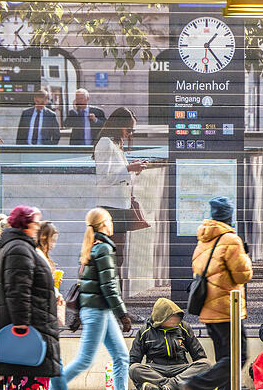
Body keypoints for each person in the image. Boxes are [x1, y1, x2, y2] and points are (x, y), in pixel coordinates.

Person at [51, 207, 132, 390]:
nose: (112, 224)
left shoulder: (91, 246)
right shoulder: (103, 248)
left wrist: (78, 314)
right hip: (98, 312)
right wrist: (123, 314)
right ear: (103, 224)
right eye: (110, 220)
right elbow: (109, 286)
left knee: (121, 357)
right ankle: (53, 387)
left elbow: (86, 286)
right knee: (85, 360)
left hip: (100, 310)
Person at [185, 197, 253, 390]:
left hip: (208, 310)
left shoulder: (203, 240)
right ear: (229, 216)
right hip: (227, 309)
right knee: (238, 356)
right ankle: (196, 385)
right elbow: (243, 275)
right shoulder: (231, 239)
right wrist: (244, 255)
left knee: (224, 358)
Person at [0, 206, 61, 390]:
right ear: (26, 224)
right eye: (35, 223)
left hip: (34, 326)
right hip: (31, 330)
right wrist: (22, 325)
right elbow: (18, 290)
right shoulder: (20, 249)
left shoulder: (19, 247)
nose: (38, 227)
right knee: (28, 380)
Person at [93, 106, 147, 290]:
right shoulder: (105, 143)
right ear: (119, 125)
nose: (130, 133)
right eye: (128, 129)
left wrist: (131, 169)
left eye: (132, 130)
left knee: (118, 258)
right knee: (113, 259)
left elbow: (118, 176)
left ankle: (116, 299)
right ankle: (113, 299)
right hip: (111, 208)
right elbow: (103, 179)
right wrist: (128, 169)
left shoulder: (115, 144)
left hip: (120, 207)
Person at [130, 298, 210, 390]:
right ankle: (169, 385)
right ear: (161, 318)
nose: (175, 321)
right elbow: (133, 361)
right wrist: (139, 386)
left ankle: (166, 387)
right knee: (134, 369)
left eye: (177, 318)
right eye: (171, 319)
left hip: (180, 369)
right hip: (155, 370)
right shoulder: (145, 331)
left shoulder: (184, 327)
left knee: (206, 364)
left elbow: (200, 356)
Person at [36, 221, 66, 326]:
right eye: (52, 240)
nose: (53, 245)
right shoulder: (38, 254)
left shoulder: (41, 254)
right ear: (44, 237)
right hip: (42, 310)